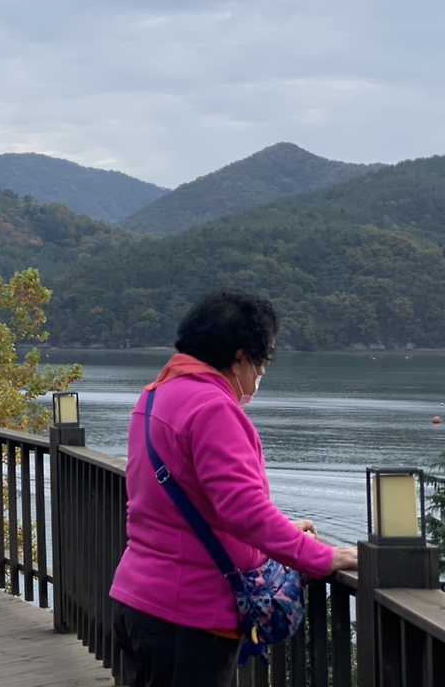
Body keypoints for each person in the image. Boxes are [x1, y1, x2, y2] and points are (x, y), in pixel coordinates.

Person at [109, 288, 358, 687]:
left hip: (139, 602)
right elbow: (245, 511)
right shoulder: (213, 408)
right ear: (241, 357)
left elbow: (178, 504)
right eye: (263, 363)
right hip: (189, 617)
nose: (261, 375)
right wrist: (324, 556)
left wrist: (278, 534)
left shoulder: (154, 397)